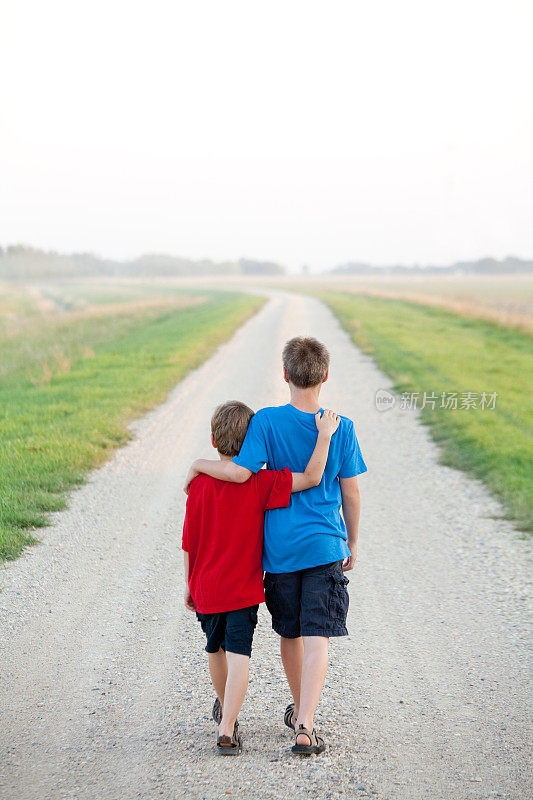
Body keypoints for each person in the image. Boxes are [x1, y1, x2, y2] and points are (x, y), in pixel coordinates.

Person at [185, 336, 367, 755]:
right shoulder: (342, 427)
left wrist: (196, 465)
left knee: (290, 631)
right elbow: (351, 492)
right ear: (325, 376)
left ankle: (297, 707)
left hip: (281, 551)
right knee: (318, 632)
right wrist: (352, 539)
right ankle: (305, 722)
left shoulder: (265, 422)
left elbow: (240, 473)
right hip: (325, 546)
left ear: (285, 375)